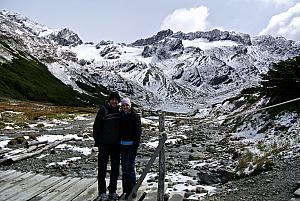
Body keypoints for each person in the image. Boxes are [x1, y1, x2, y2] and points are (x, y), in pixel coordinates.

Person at [93, 92, 121, 201]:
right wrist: (98, 142)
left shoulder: (119, 112)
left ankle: (112, 191)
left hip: (116, 145)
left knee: (115, 169)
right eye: (112, 99)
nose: (114, 101)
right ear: (109, 100)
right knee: (102, 169)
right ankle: (102, 192)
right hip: (104, 145)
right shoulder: (103, 111)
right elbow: (96, 127)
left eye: (116, 100)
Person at [119, 98, 142, 199]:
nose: (125, 107)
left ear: (130, 106)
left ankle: (133, 189)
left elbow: (138, 132)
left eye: (127, 105)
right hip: (122, 145)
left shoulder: (135, 116)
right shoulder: (120, 116)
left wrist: (135, 145)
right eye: (123, 105)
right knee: (124, 168)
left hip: (131, 146)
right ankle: (126, 190)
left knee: (130, 168)